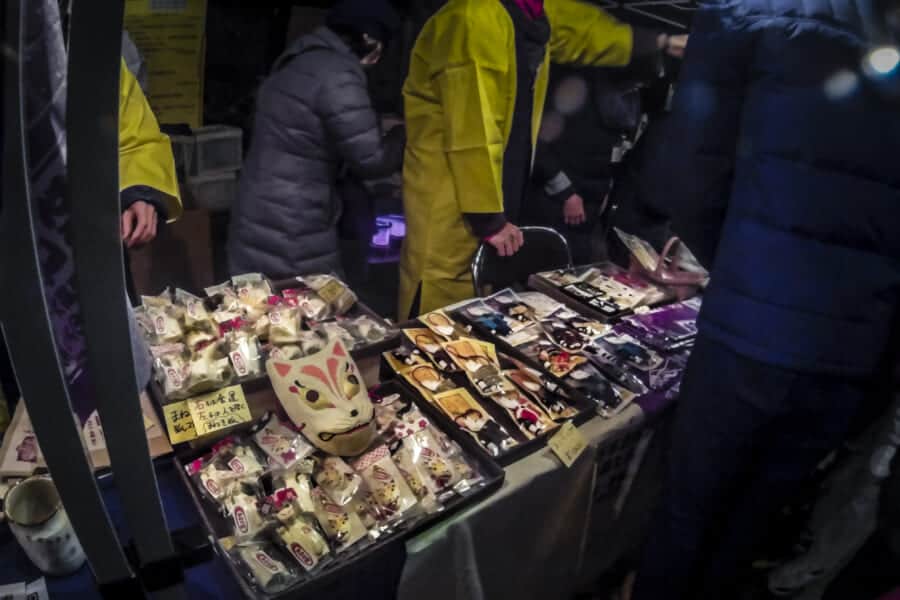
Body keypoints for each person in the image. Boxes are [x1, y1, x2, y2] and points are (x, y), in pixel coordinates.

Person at [630, 0, 900, 597]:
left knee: (687, 512)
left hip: (749, 326)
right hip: (852, 346)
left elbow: (690, 171)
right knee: (749, 522)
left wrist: (741, 263)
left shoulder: (753, 12)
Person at [398, 0, 686, 319]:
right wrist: (488, 219)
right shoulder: (472, 16)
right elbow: (472, 127)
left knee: (473, 298)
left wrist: (659, 41)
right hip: (449, 194)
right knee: (438, 288)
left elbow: (583, 30)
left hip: (490, 191)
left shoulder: (531, 15)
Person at [228, 0, 405, 280]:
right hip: (296, 218)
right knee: (312, 305)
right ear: (368, 38)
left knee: (262, 302)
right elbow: (372, 159)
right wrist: (403, 134)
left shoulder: (298, 59)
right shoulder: (338, 74)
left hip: (259, 205)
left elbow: (311, 126)